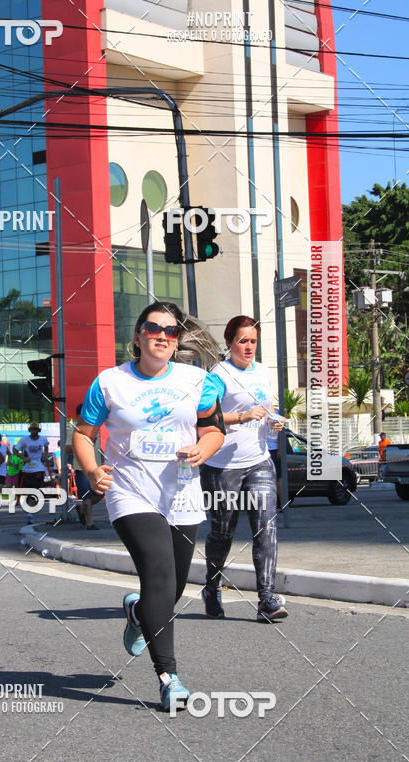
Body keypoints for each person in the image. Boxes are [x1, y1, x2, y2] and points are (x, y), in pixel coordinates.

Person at [73, 301, 226, 711]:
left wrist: (203, 448)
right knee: (158, 573)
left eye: (171, 331)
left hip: (181, 493)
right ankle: (168, 677)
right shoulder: (110, 383)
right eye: (153, 328)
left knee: (173, 586)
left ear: (177, 341)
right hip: (130, 490)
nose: (162, 336)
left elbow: (214, 430)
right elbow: (84, 434)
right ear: (138, 337)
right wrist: (92, 470)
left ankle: (140, 613)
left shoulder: (198, 381)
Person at [200, 315, 288, 623]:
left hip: (259, 461)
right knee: (222, 533)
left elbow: (267, 407)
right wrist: (243, 416)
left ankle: (266, 599)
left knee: (266, 527)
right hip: (222, 466)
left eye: (253, 341)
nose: (249, 347)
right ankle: (212, 587)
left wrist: (274, 419)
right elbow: (206, 415)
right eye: (242, 341)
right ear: (229, 343)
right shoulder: (218, 374)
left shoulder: (262, 371)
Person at [66, 404, 103, 530]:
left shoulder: (96, 427)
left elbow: (99, 448)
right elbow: (67, 448)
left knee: (100, 494)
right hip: (82, 468)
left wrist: (103, 463)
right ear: (78, 416)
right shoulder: (73, 428)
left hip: (97, 467)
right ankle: (90, 523)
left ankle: (81, 508)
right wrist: (81, 445)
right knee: (86, 496)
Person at [14, 422, 50, 525]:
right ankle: (30, 507)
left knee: (35, 490)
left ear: (39, 431)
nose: (34, 431)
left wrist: (45, 456)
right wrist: (23, 457)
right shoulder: (25, 439)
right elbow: (15, 450)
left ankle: (30, 514)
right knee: (28, 492)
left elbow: (46, 446)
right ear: (29, 430)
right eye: (32, 430)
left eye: (36, 430)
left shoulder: (43, 439)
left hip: (38, 468)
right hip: (27, 469)